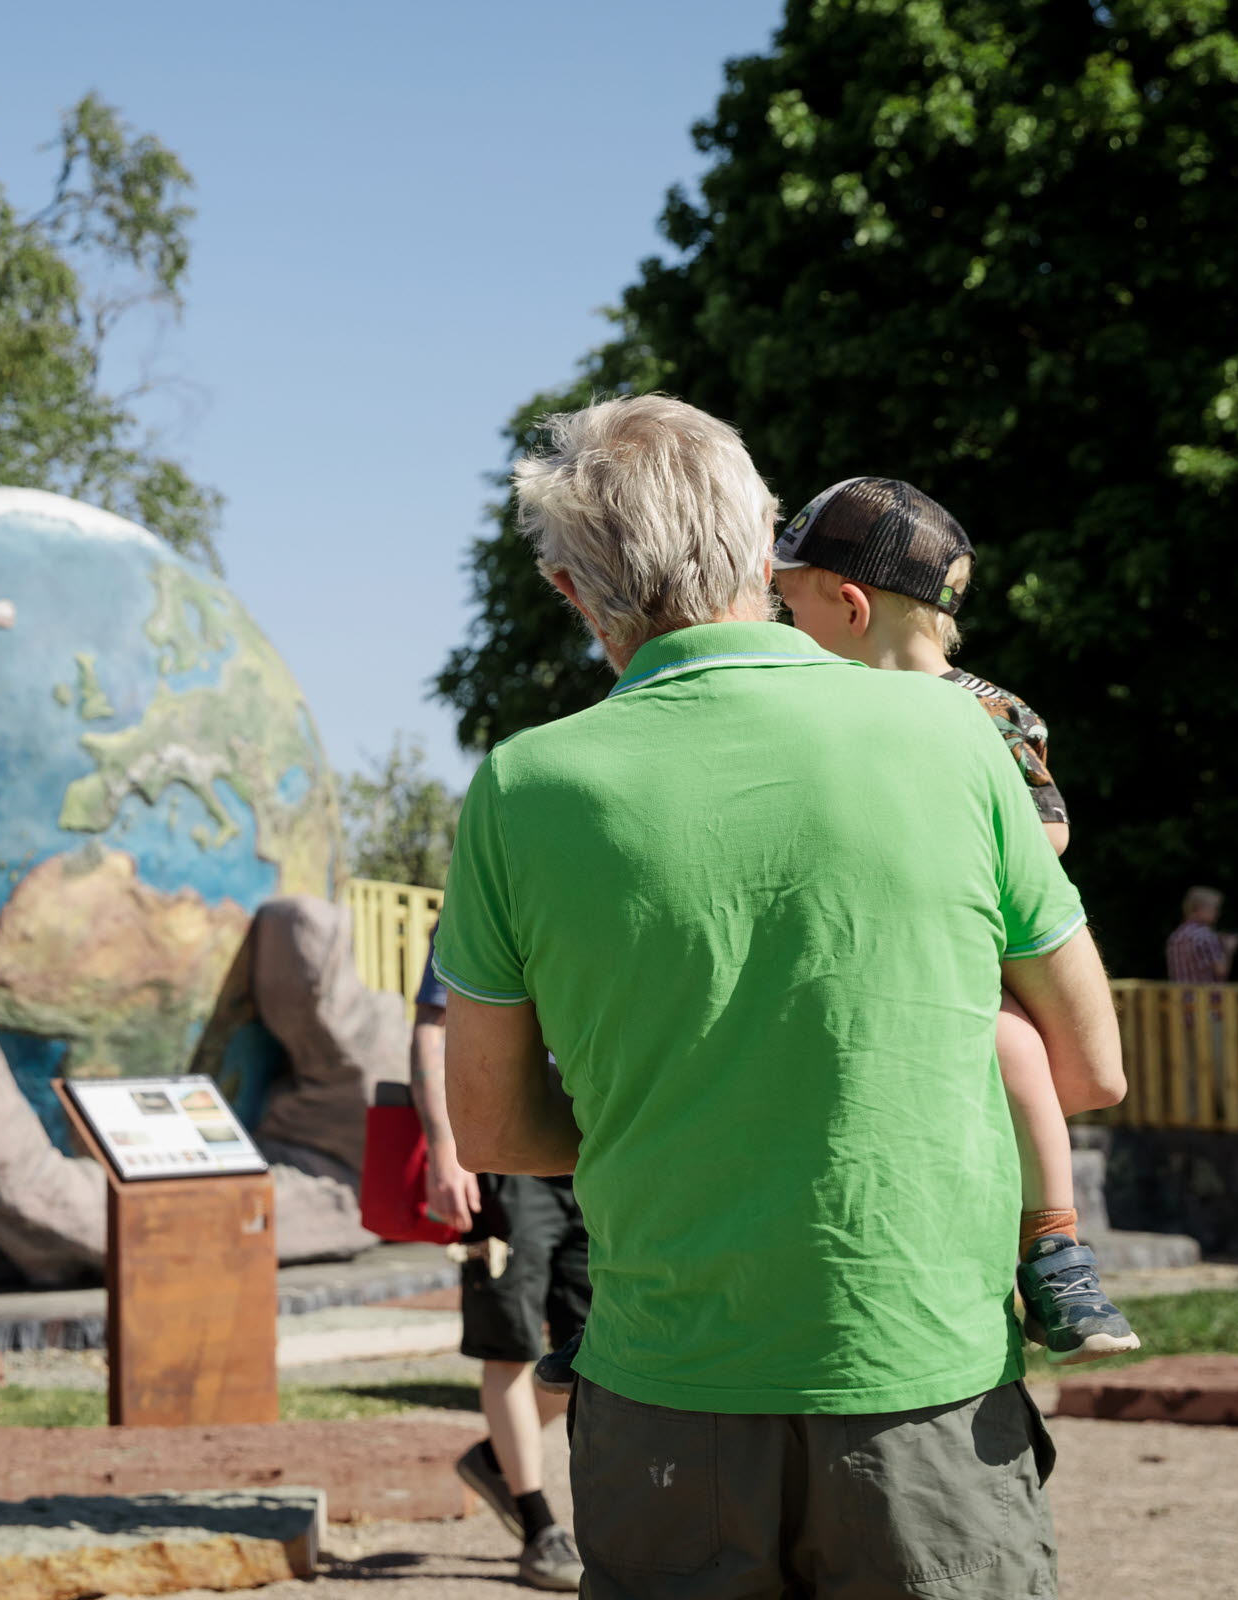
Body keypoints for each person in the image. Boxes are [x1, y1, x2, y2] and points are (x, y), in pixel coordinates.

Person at [436, 396, 1125, 1600]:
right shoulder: (955, 736)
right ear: (761, 543)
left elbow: (492, 1127)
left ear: (566, 588)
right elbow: (1091, 1069)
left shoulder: (521, 787)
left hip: (662, 1393)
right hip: (920, 1376)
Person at [766, 477, 1138, 1365]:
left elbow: (1047, 825)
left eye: (787, 604)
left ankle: (1054, 1251)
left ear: (850, 607)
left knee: (1010, 1043)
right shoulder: (817, 711)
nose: (778, 625)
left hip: (961, 942)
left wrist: (956, 872)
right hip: (859, 940)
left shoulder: (982, 711)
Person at [410, 948, 587, 1591]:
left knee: (596, 1348)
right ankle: (541, 1529)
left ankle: (496, 1457)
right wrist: (446, 1148)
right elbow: (434, 1025)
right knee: (511, 1340)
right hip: (506, 1156)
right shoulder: (488, 883)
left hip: (598, 1145)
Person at [1166, 887, 1238, 984]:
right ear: (1200, 908)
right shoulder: (1206, 936)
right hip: (1205, 997)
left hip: (1179, 997)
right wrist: (1227, 949)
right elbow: (1221, 971)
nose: (1217, 914)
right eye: (1214, 909)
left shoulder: (1175, 936)